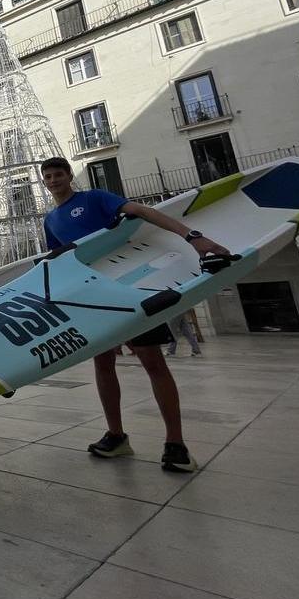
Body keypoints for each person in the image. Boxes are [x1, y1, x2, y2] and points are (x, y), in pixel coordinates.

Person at [40, 156, 229, 472]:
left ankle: (176, 443)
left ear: (69, 175)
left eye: (58, 174)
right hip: (93, 297)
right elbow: (59, 260)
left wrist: (192, 237)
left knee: (152, 361)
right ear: (43, 181)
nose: (54, 180)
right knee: (102, 364)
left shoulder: (95, 198)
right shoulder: (50, 220)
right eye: (48, 176)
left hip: (131, 290)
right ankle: (116, 437)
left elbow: (143, 212)